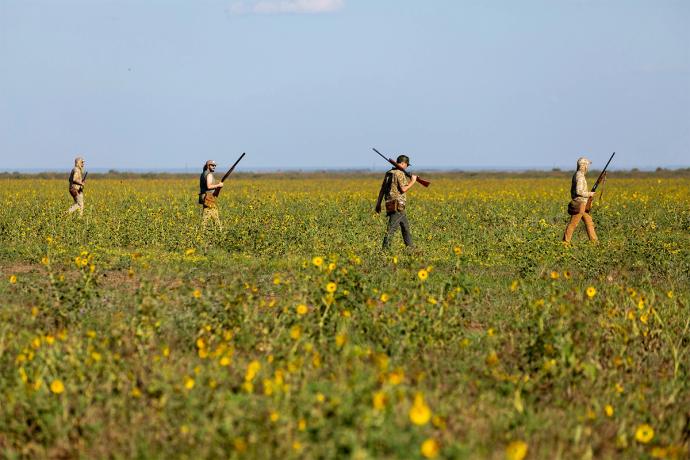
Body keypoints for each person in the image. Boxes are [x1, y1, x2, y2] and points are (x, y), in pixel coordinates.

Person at [375, 155, 417, 249]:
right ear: (403, 163)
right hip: (398, 205)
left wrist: (378, 204)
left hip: (390, 204)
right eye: (406, 165)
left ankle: (411, 250)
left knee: (405, 228)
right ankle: (385, 251)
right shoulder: (399, 173)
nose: (406, 167)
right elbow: (403, 189)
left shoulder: (389, 173)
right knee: (391, 229)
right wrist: (413, 181)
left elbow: (382, 190)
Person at [563, 157, 598, 243]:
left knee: (589, 222)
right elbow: (579, 191)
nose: (588, 167)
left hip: (581, 203)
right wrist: (589, 194)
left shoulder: (577, 174)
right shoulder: (580, 177)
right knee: (573, 224)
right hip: (580, 204)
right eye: (587, 165)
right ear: (584, 166)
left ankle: (595, 242)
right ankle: (565, 243)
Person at [199, 160, 224, 228]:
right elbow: (209, 186)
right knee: (205, 218)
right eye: (212, 165)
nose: (214, 167)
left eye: (215, 165)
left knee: (215, 217)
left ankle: (219, 230)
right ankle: (201, 232)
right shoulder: (209, 174)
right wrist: (218, 185)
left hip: (206, 198)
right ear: (208, 166)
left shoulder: (203, 173)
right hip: (208, 198)